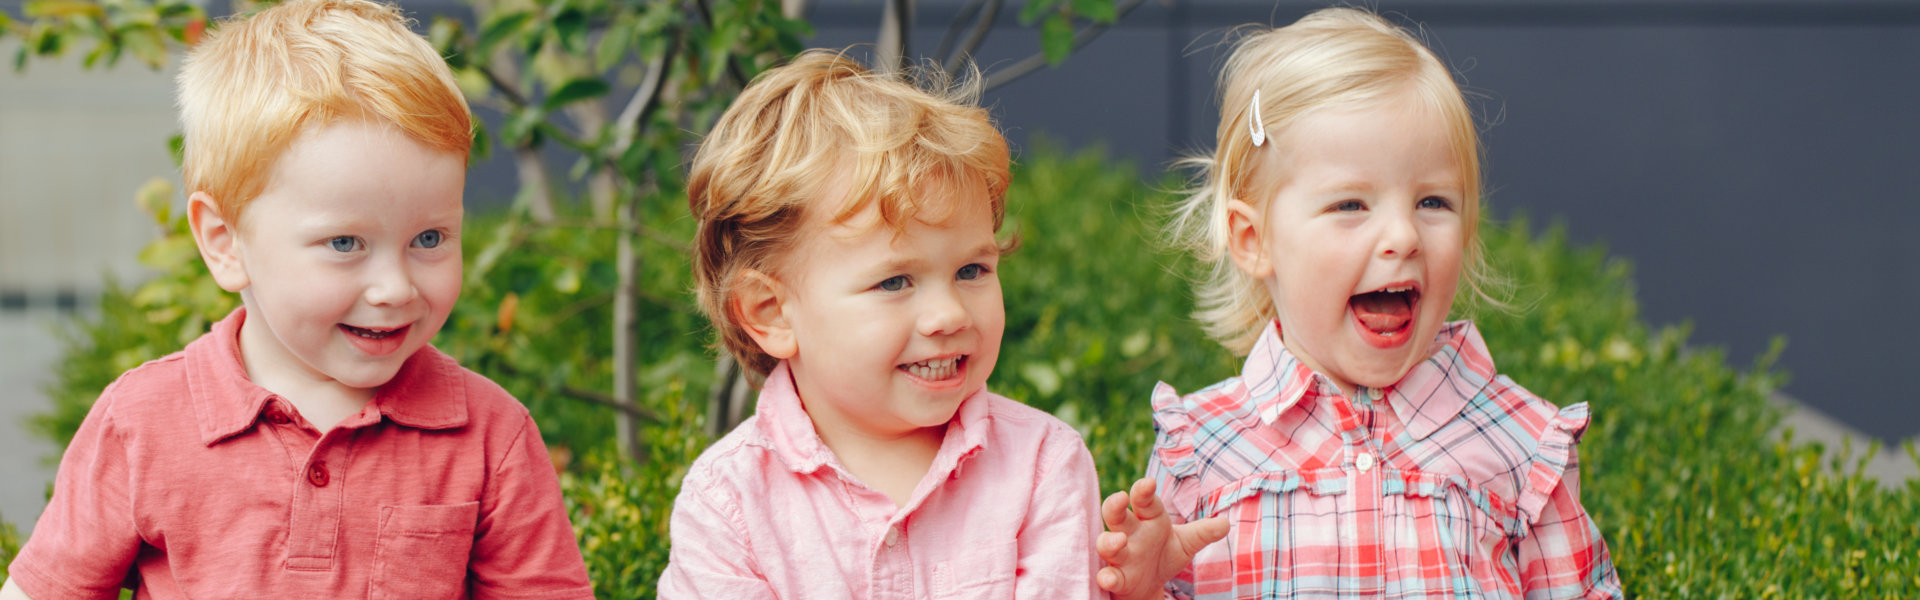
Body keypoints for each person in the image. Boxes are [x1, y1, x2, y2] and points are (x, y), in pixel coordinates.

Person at [0, 1, 593, 597]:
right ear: (224, 242)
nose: (395, 288)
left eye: (429, 238)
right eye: (344, 243)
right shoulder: (141, 423)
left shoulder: (492, 436)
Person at [1095, 8, 1623, 599]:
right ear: (1254, 239)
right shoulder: (1200, 452)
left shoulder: (1521, 446)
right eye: (1351, 205)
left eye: (1434, 202)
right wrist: (1140, 590)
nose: (1403, 236)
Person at [658, 49, 1105, 598]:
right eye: (894, 282)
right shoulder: (727, 503)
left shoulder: (1042, 467)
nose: (949, 314)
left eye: (971, 269)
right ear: (771, 313)